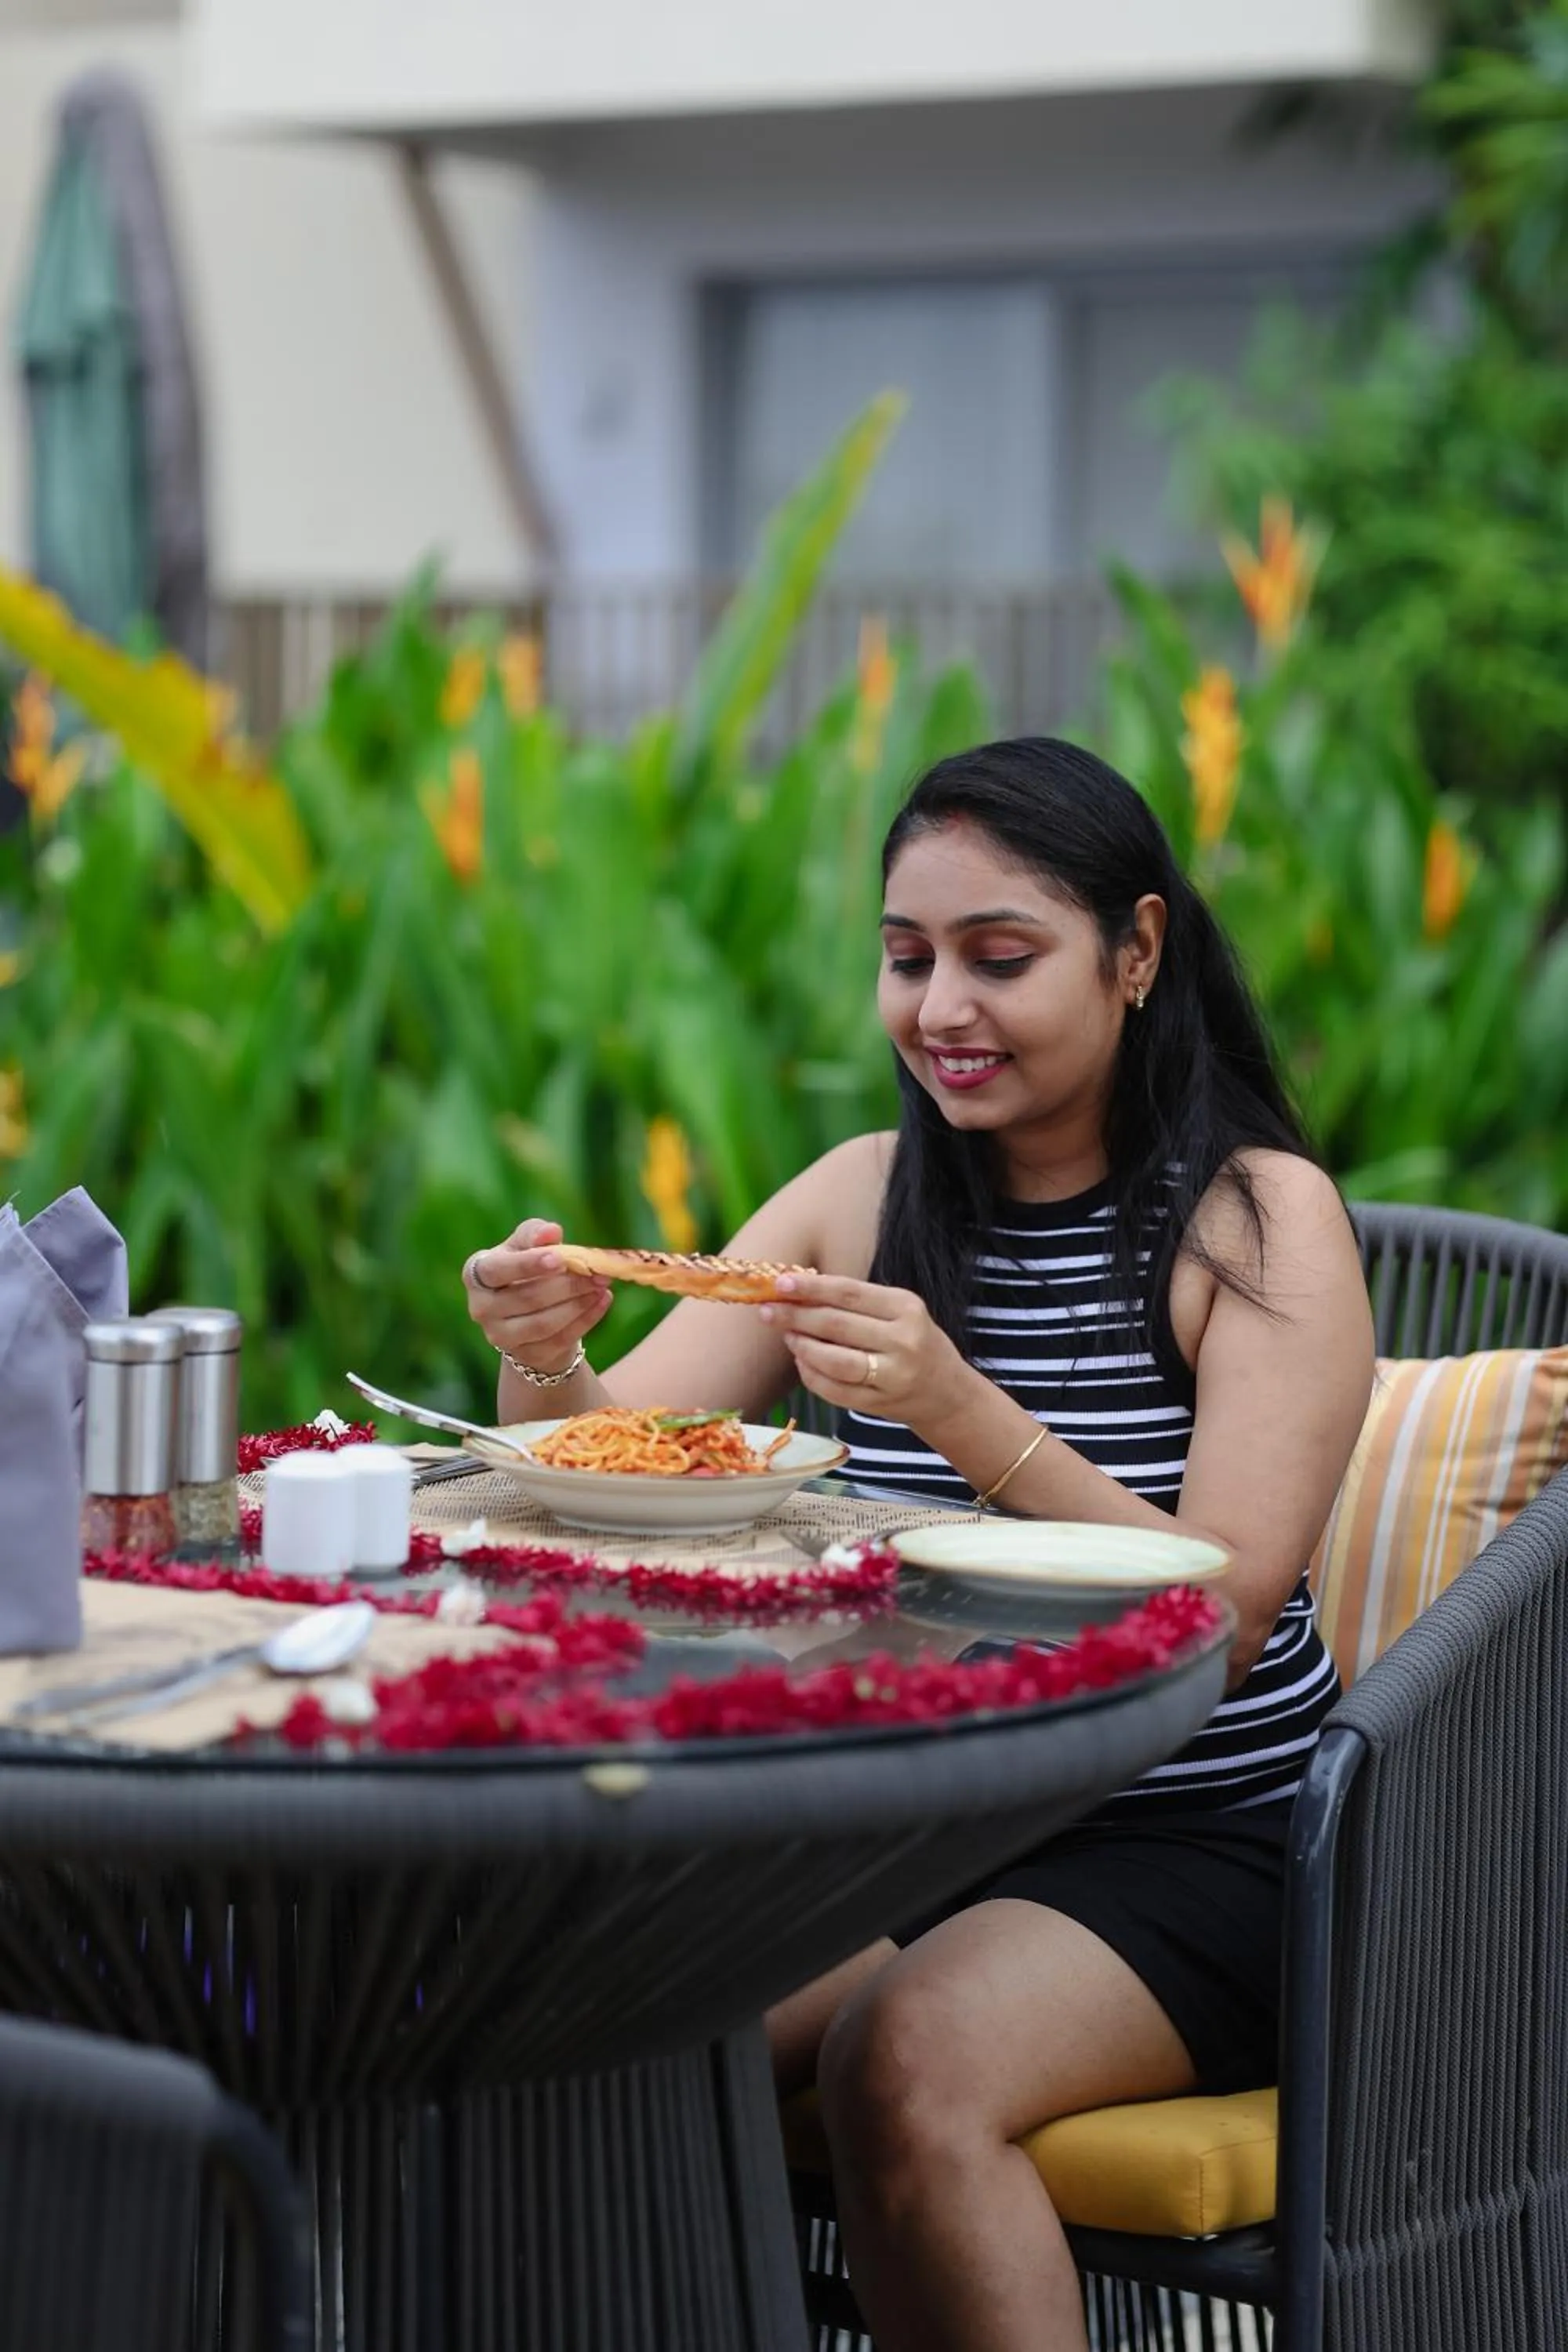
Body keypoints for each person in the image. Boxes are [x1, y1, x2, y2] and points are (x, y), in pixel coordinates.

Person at [460, 736, 1374, 2352]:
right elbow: (606, 1473)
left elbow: (1223, 1609)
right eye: (907, 960)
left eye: (997, 957)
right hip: (914, 1820)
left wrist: (963, 1412)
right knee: (601, 2024)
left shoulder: (1254, 1221)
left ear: (1137, 951)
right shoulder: (856, 1201)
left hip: (1208, 1840)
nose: (940, 1007)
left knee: (905, 2057)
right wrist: (546, 1346)